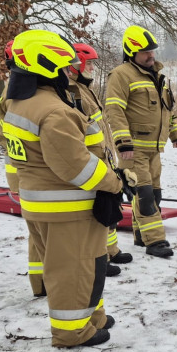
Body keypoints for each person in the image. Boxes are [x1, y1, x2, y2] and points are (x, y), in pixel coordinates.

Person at [1, 29, 127, 348]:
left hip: (42, 204)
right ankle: (72, 332)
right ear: (48, 66)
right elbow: (75, 166)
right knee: (72, 272)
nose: (67, 71)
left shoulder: (17, 101)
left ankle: (92, 318)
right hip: (67, 209)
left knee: (88, 264)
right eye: (63, 65)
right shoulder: (53, 111)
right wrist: (114, 182)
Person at [105, 25, 177, 258]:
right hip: (134, 149)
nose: (151, 55)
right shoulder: (121, 74)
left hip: (154, 150)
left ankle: (141, 235)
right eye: (145, 52)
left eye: (152, 51)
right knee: (145, 195)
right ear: (131, 52)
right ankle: (155, 241)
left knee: (154, 195)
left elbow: (168, 109)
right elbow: (114, 109)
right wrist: (123, 142)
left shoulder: (159, 77)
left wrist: (175, 132)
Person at [67, 42, 134, 276]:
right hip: (92, 160)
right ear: (76, 65)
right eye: (90, 63)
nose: (93, 68)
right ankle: (99, 257)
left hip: (103, 156)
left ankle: (111, 250)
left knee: (110, 207)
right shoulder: (71, 90)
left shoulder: (85, 88)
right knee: (97, 213)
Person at [0, 40, 44, 296]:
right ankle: (41, 283)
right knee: (38, 231)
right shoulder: (17, 94)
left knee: (37, 231)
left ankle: (41, 283)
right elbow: (5, 135)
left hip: (22, 170)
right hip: (25, 173)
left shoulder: (15, 90)